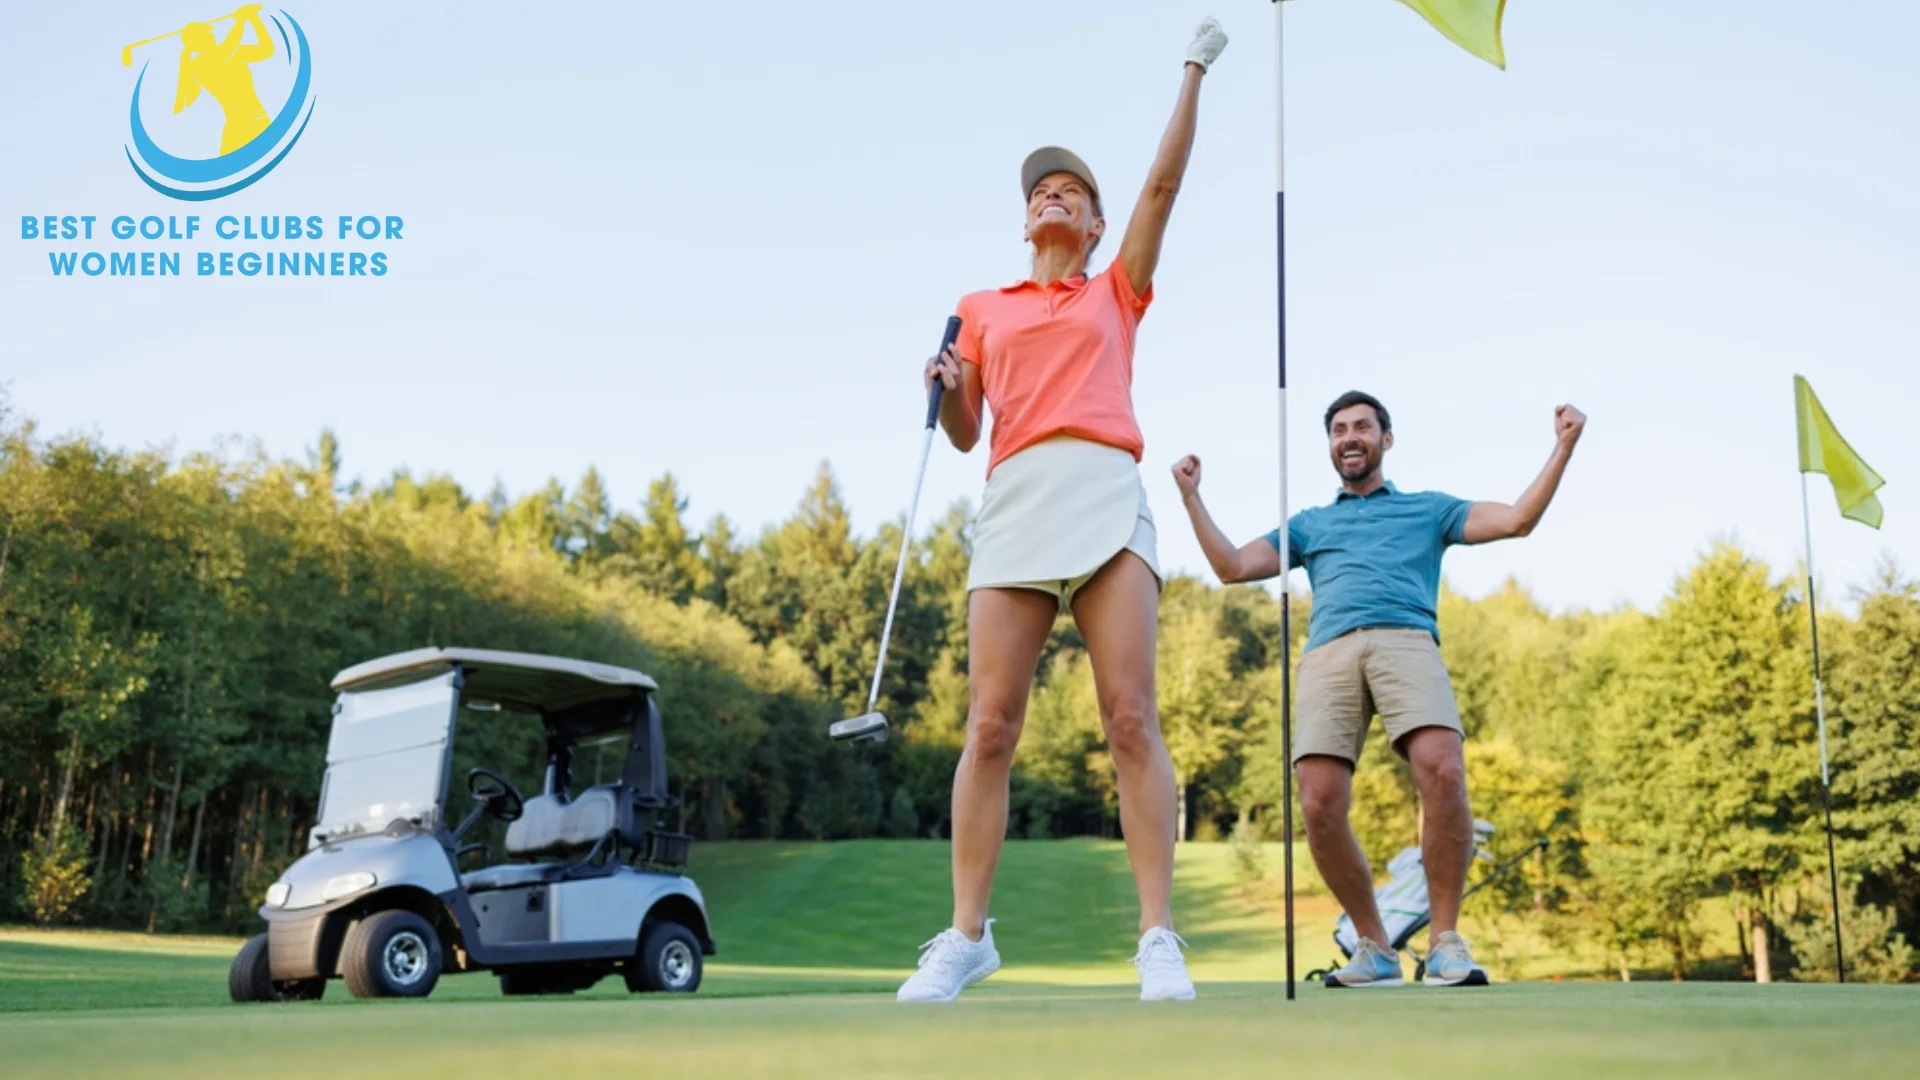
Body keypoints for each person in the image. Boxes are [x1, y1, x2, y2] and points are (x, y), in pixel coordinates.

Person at [893, 17, 1230, 1005]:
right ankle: (966, 937)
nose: (1055, 195)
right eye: (1044, 188)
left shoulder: (1115, 291)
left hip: (1102, 489)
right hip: (1015, 500)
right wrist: (950, 382)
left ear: (1091, 228)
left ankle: (1158, 937)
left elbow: (1163, 187)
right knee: (990, 727)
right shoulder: (981, 307)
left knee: (1130, 718)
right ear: (1026, 218)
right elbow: (963, 433)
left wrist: (1191, 73)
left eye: (1075, 193)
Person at [1172, 390, 1586, 988]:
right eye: (1339, 429)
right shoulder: (1311, 524)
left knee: (1442, 768)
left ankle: (1445, 943)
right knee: (1317, 801)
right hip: (1329, 652)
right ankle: (1375, 946)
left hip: (1406, 640)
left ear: (1385, 439)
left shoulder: (1428, 509)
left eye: (1362, 427)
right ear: (1331, 445)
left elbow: (1518, 519)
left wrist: (1563, 447)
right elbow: (1233, 566)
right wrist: (1192, 497)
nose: (1350, 437)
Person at [172, 5, 276, 155]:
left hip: (257, 119)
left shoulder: (232, 54)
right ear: (195, 43)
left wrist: (254, 19)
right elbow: (226, 49)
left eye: (209, 32)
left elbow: (266, 50)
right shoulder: (199, 64)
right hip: (238, 128)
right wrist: (240, 21)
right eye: (205, 34)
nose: (211, 35)